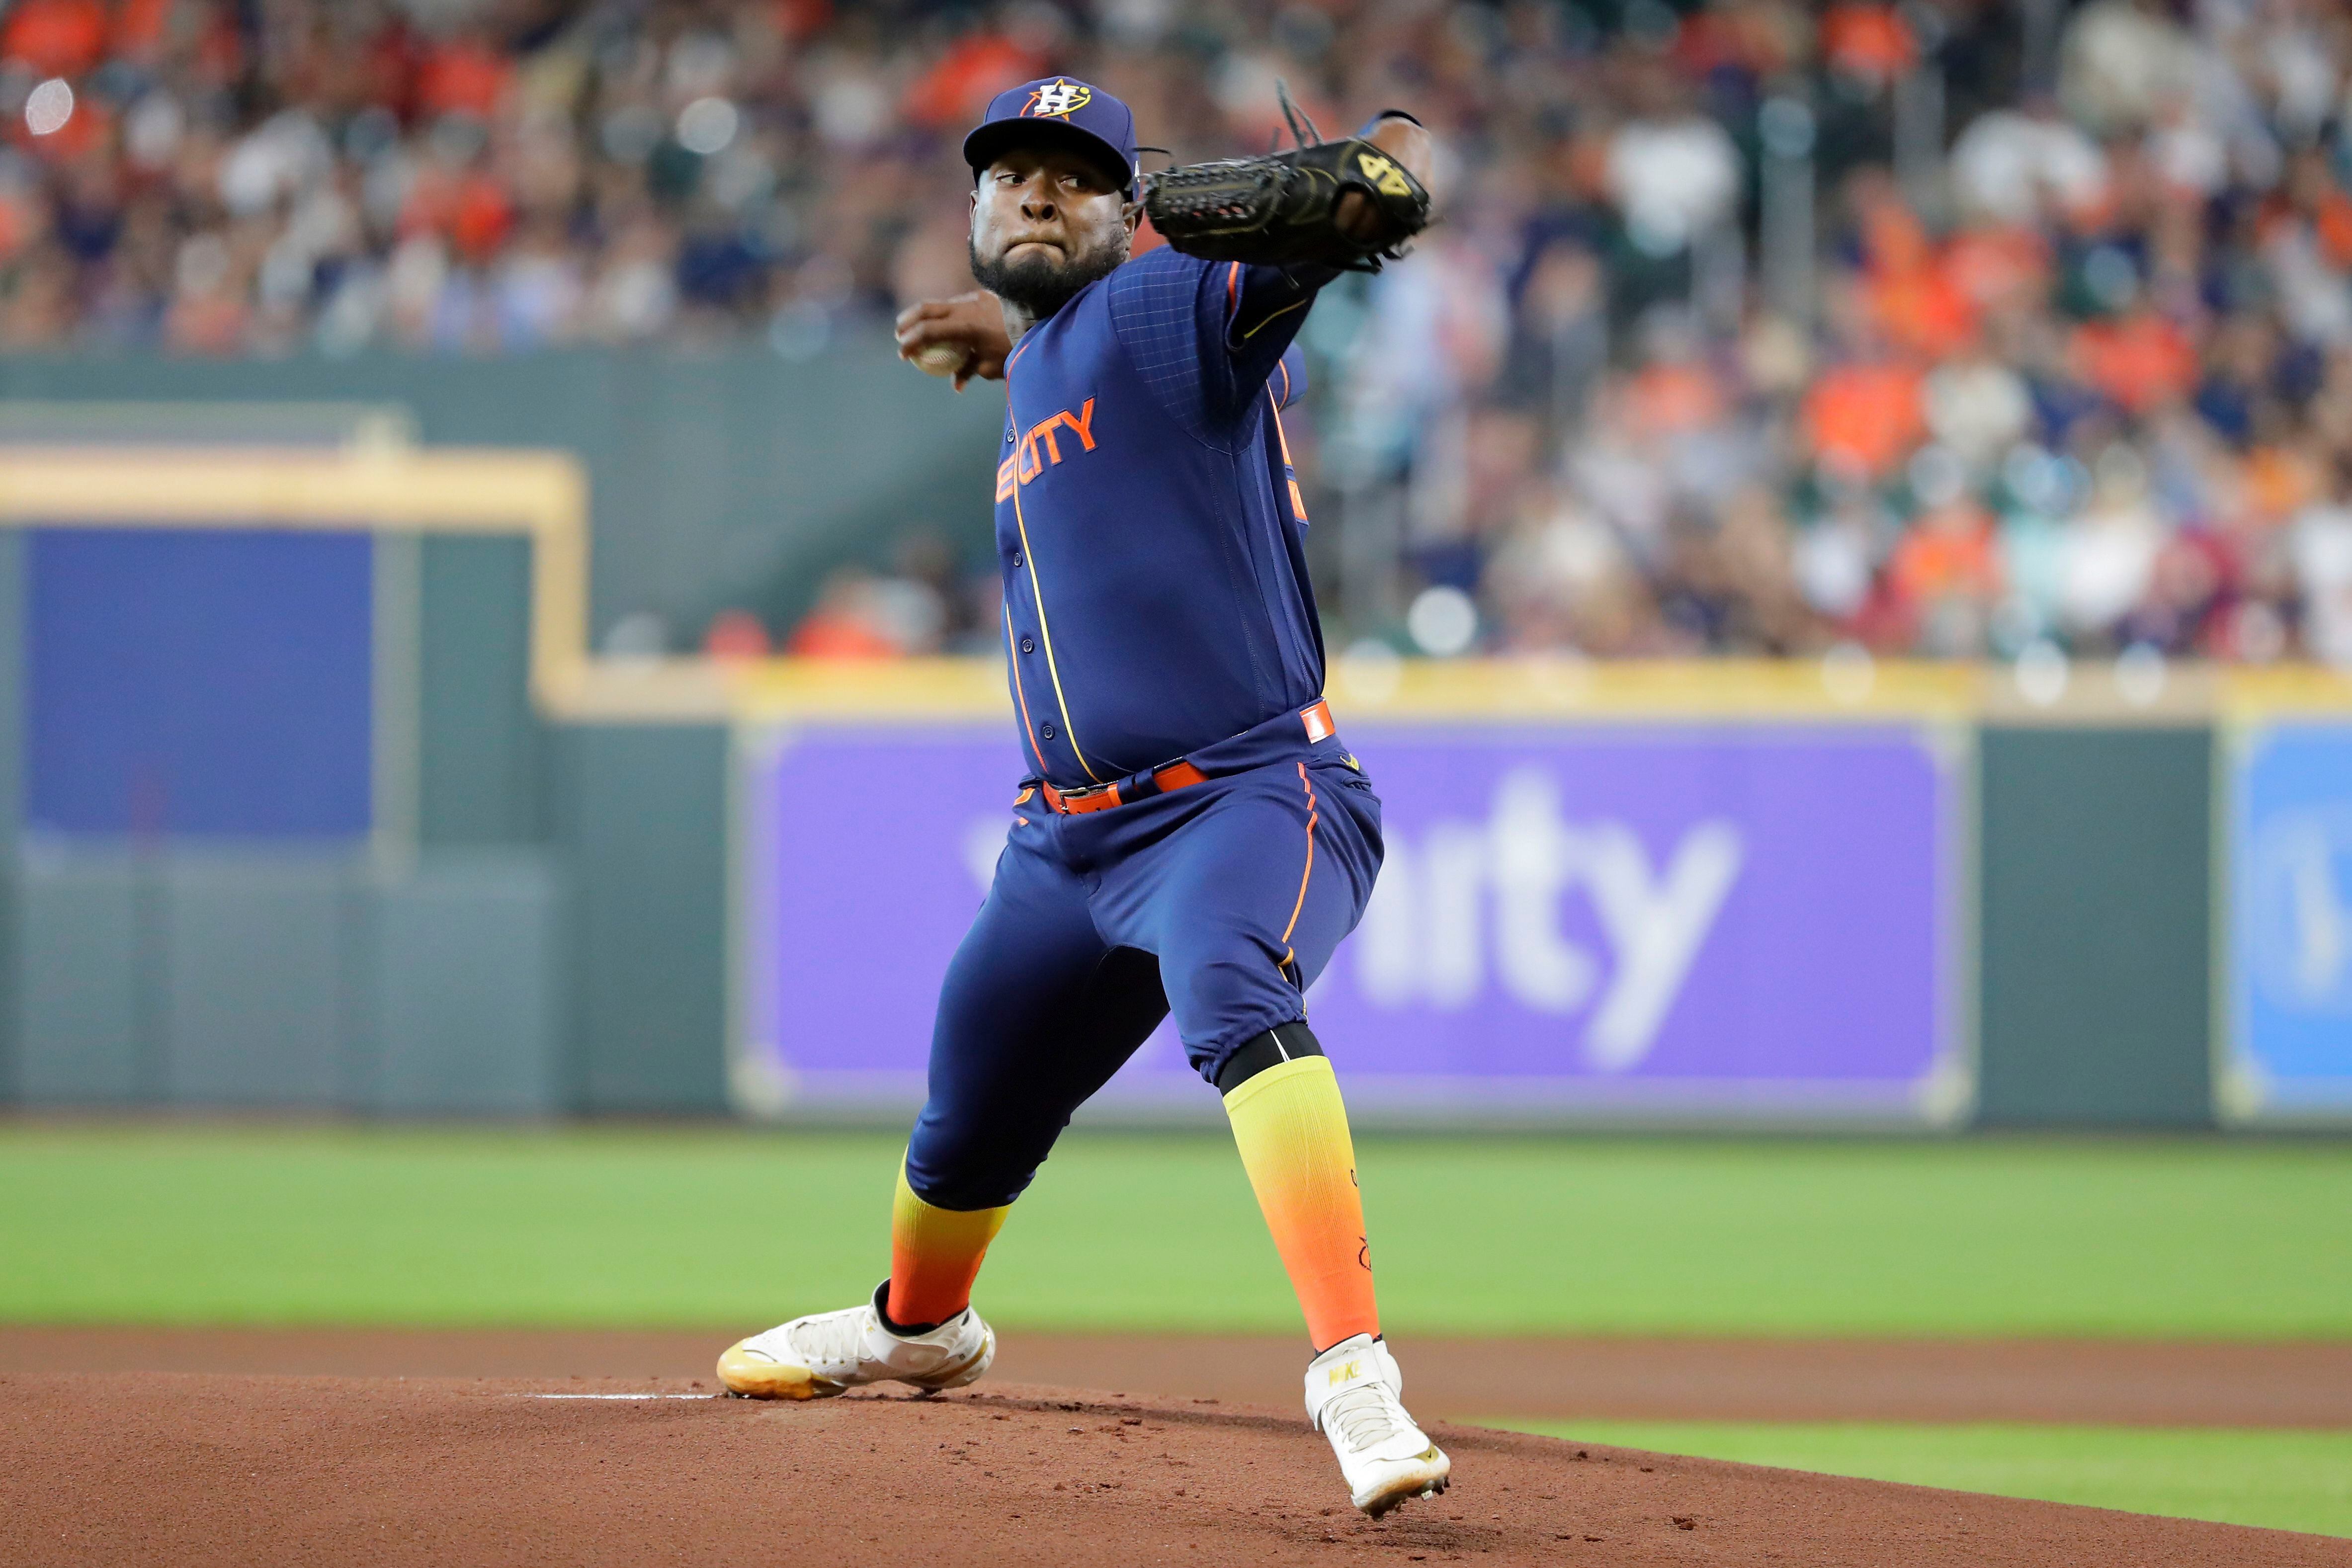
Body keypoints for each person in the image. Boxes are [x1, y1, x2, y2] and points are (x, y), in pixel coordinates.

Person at [717, 77, 1446, 1518]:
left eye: (1072, 176)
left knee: (1235, 989)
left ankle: (1353, 1372)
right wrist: (1023, 336)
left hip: (1246, 791)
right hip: (1063, 840)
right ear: (973, 212)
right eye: (1007, 175)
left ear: (1125, 206)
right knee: (961, 1119)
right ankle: (919, 1334)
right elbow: (1081, 357)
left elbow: (1382, 191)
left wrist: (1348, 173)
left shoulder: (1178, 307)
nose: (1034, 194)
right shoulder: (1057, 348)